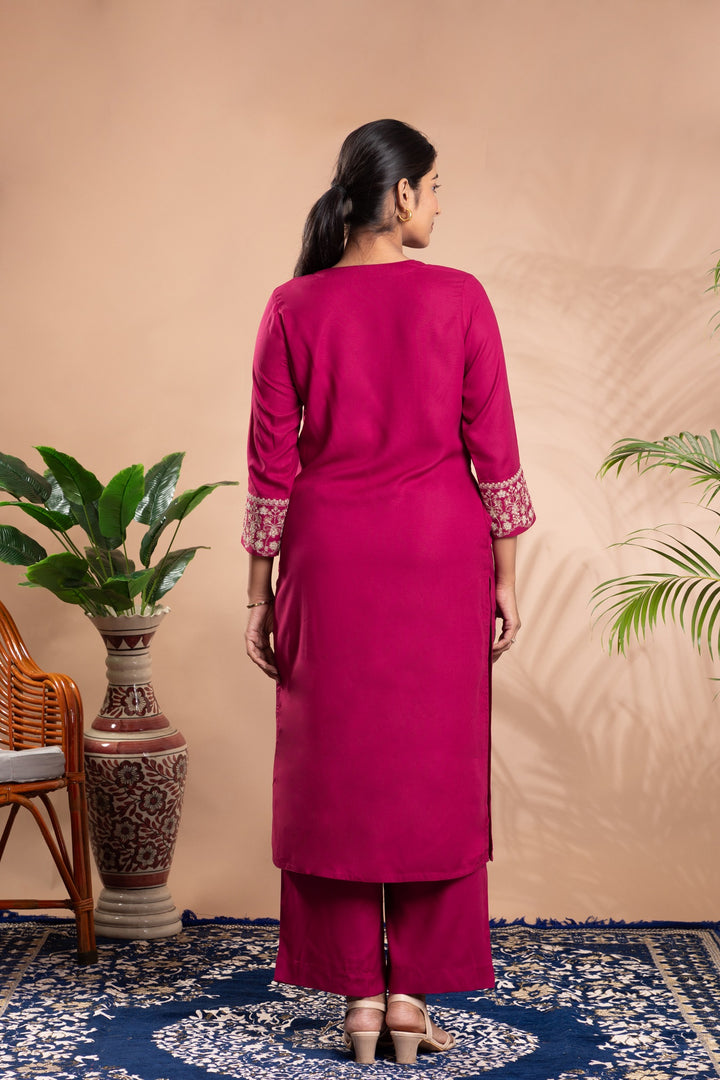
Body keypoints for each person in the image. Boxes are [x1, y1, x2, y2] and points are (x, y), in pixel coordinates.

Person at [242, 118, 535, 1065]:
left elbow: (269, 467)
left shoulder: (293, 306)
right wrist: (506, 581)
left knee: (336, 771)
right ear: (401, 194)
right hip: (439, 559)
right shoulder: (460, 299)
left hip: (329, 563)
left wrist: (258, 593)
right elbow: (495, 456)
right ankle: (409, 998)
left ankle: (358, 1001)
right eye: (438, 187)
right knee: (431, 769)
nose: (441, 205)